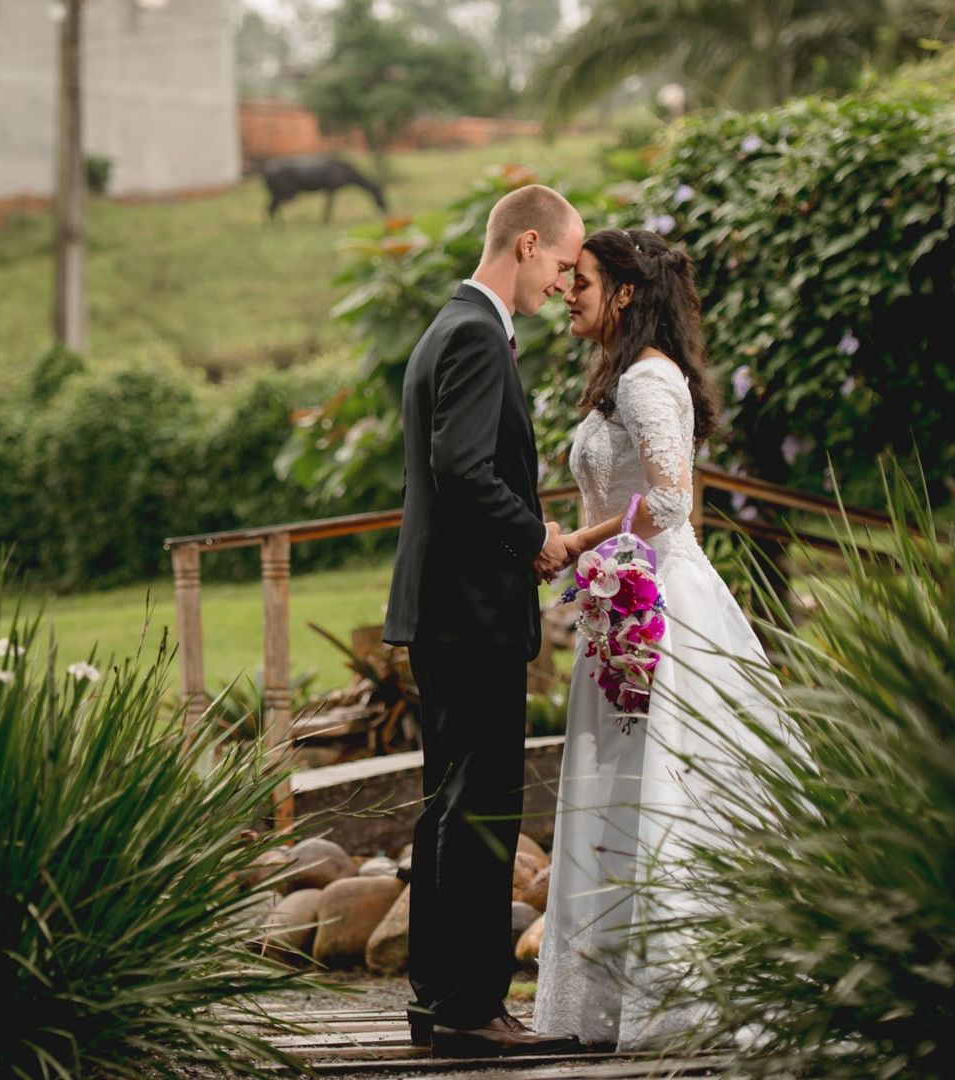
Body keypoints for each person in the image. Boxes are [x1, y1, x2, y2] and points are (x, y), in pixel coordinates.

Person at [532, 226, 778, 1050]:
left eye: (584, 282)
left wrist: (577, 544)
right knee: (630, 789)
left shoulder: (643, 382)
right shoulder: (630, 377)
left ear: (626, 294)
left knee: (662, 786)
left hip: (656, 604)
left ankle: (678, 995)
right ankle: (622, 991)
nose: (568, 292)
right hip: (626, 596)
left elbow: (671, 505)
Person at [384, 184, 587, 1058]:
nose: (563, 285)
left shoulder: (447, 327)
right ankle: (471, 1010)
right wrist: (535, 537)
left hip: (447, 609)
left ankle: (439, 1000)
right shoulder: (473, 333)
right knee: (478, 811)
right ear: (528, 243)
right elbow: (463, 469)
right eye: (563, 266)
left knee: (447, 805)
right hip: (470, 611)